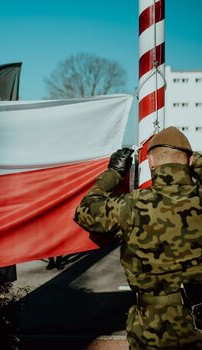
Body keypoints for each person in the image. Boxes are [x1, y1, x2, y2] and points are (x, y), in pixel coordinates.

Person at [74, 126, 202, 349]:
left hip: (152, 331)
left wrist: (113, 173)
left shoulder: (131, 205)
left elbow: (84, 211)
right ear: (189, 162)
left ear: (151, 163)